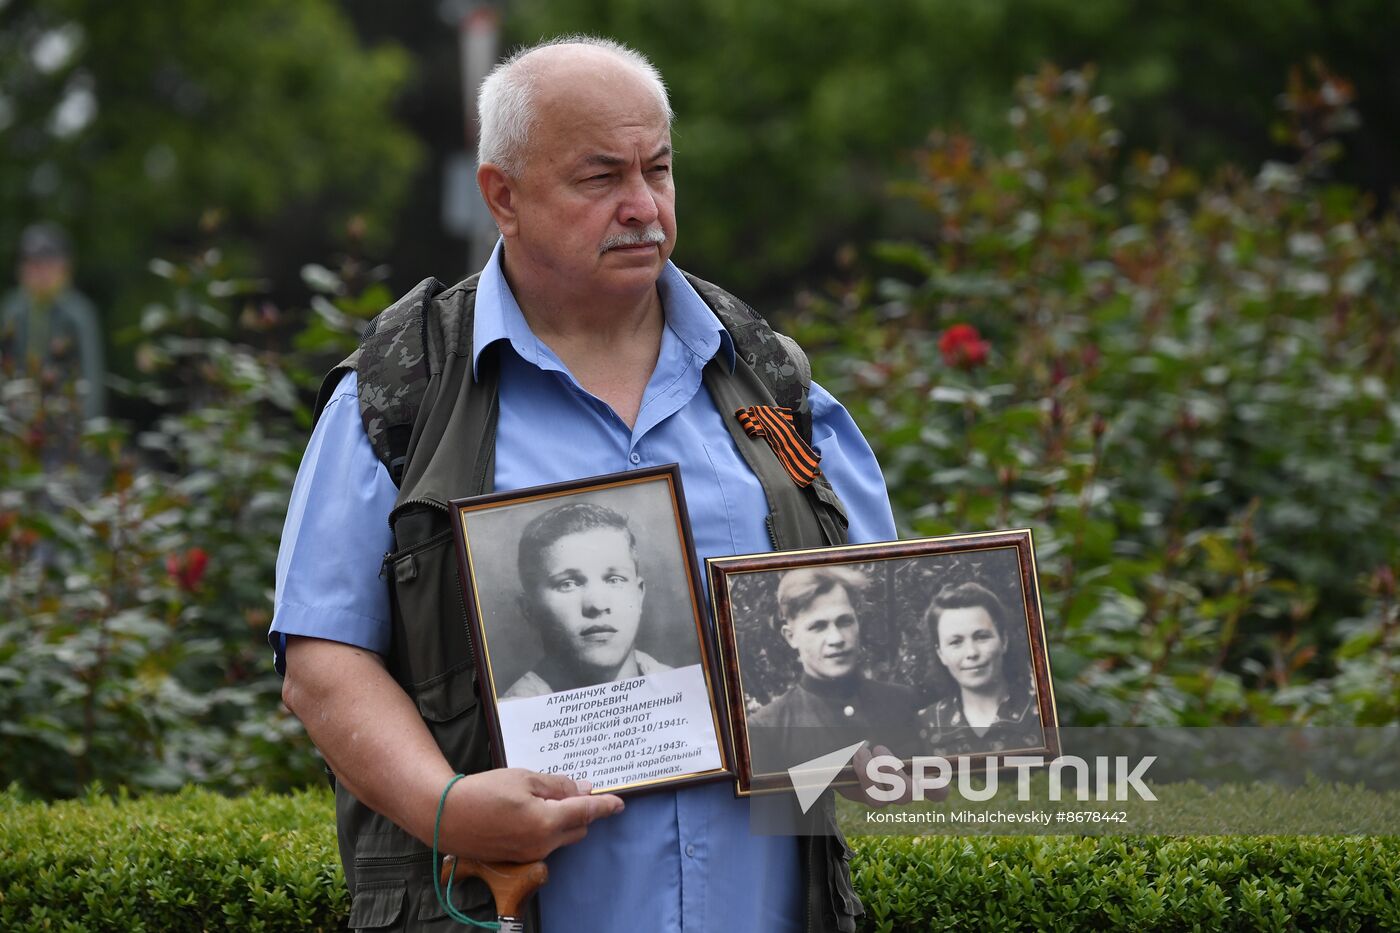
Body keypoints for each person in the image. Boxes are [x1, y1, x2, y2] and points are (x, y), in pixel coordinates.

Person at [272, 35, 896, 933]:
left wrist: (885, 729)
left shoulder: (770, 378)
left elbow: (879, 617)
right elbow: (322, 663)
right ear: (503, 195)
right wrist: (446, 805)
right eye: (601, 177)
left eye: (659, 169)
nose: (643, 207)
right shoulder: (403, 392)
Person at [749, 567, 918, 775]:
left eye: (845, 621)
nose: (836, 638)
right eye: (818, 627)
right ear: (791, 636)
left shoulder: (902, 701)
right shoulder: (768, 728)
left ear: (857, 622)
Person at [501, 501, 671, 698]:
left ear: (639, 594)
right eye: (568, 584)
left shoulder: (690, 693)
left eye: (614, 579)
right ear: (529, 610)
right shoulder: (513, 720)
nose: (597, 605)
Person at [917, 580, 1043, 756]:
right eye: (955, 642)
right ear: (940, 654)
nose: (971, 652)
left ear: (1003, 641)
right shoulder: (924, 726)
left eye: (982, 637)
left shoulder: (1042, 712)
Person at [0, 223, 106, 421]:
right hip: (16, 418)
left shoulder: (78, 312)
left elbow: (91, 375)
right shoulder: (12, 309)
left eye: (47, 264)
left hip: (64, 419)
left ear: (64, 268)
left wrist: (85, 423)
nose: (40, 273)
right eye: (32, 264)